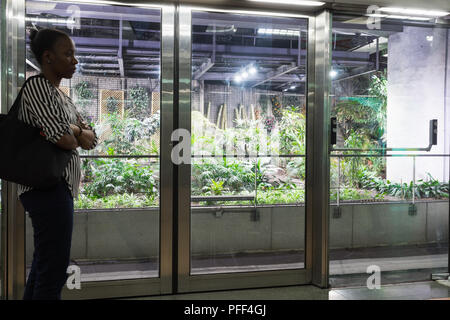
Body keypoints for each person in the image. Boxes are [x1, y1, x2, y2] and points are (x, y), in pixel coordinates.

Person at [18, 28, 98, 300]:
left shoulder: (61, 96)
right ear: (48, 57)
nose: (75, 61)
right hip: (46, 188)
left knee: (44, 265)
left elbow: (92, 137)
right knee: (53, 270)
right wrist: (76, 131)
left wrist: (75, 130)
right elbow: (64, 138)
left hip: (57, 189)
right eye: (68, 54)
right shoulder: (38, 86)